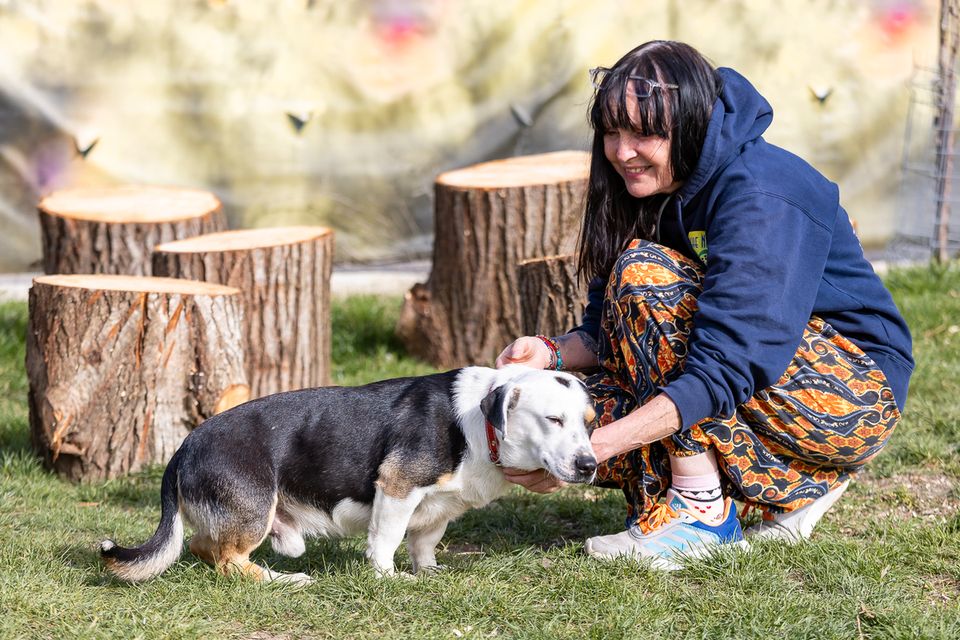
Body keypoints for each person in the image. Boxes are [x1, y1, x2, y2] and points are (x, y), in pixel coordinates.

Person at [495, 40, 913, 570]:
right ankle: (788, 489)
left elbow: (727, 366)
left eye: (644, 133)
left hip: (850, 393)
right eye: (612, 132)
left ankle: (701, 513)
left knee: (644, 278)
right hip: (759, 376)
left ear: (691, 124)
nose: (623, 152)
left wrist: (587, 455)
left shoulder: (764, 191)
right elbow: (613, 334)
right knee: (567, 411)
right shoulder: (644, 184)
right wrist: (550, 355)